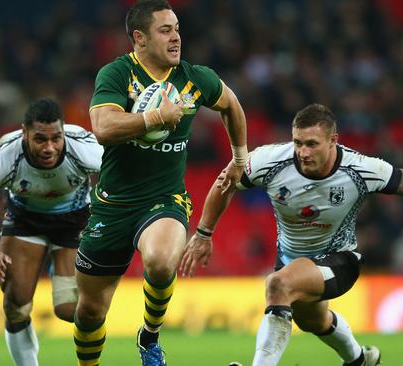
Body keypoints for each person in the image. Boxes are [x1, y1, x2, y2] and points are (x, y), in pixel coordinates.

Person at [181, 103, 403, 366]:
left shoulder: (361, 169)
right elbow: (225, 183)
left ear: (333, 140)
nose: (303, 152)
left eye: (312, 144)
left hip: (340, 262)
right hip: (292, 262)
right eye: (297, 142)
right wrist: (204, 232)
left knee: (277, 285)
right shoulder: (270, 161)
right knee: (312, 321)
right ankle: (359, 359)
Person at [72, 1, 248, 365]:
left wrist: (240, 157)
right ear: (139, 38)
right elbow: (103, 128)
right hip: (112, 205)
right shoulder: (117, 74)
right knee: (89, 311)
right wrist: (154, 117)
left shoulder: (194, 78)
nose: (176, 37)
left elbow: (231, 104)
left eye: (177, 28)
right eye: (165, 30)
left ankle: (149, 337)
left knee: (161, 260)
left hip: (164, 199)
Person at [0, 98, 104, 366]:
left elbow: (124, 183)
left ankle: (57, 266)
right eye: (40, 139)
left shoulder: (86, 149)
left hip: (75, 222)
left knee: (71, 311)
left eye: (56, 138)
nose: (49, 147)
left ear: (62, 132)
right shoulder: (5, 157)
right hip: (25, 221)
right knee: (16, 305)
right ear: (24, 132)